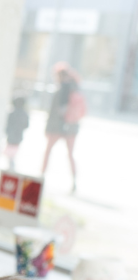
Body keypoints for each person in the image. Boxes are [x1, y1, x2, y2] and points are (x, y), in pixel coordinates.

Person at [41, 62, 85, 192]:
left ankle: (41, 176)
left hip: (58, 127)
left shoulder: (62, 89)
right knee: (70, 154)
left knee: (48, 151)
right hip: (71, 127)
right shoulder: (75, 88)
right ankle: (74, 181)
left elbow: (55, 111)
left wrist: (47, 129)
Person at [3, 95, 29, 171]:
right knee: (13, 152)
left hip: (11, 136)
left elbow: (7, 125)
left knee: (10, 152)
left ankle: (11, 162)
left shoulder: (12, 113)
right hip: (18, 137)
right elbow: (26, 125)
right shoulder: (24, 114)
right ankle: (11, 162)